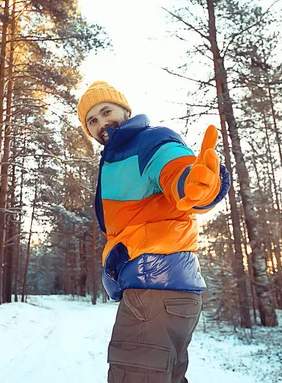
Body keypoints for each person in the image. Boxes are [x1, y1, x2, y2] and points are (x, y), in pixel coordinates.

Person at [77, 81, 230, 383]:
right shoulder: (116, 157)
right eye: (91, 121)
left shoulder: (150, 141)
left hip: (154, 291)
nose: (101, 124)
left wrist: (195, 183)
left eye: (106, 112)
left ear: (125, 110)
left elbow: (177, 172)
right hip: (168, 293)